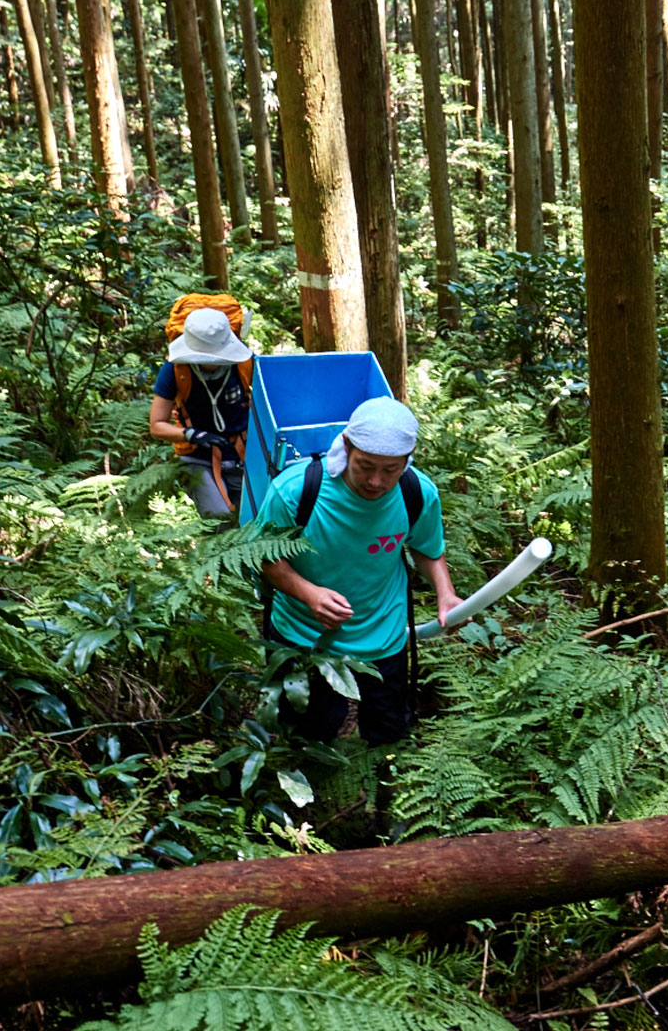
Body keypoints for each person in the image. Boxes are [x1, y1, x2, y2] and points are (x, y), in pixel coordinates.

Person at [257, 397, 463, 746]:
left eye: (391, 469)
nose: (376, 481)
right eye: (365, 466)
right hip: (304, 636)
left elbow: (427, 549)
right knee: (308, 737)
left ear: (409, 457)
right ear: (347, 446)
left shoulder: (417, 492)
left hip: (384, 634)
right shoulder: (296, 490)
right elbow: (266, 559)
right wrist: (310, 594)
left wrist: (446, 593)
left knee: (388, 735)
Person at [148, 303, 253, 518]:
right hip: (196, 458)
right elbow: (156, 425)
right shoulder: (176, 370)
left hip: (242, 455)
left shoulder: (245, 364)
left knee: (251, 520)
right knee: (219, 522)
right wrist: (191, 434)